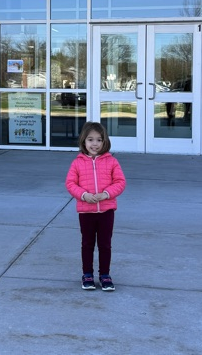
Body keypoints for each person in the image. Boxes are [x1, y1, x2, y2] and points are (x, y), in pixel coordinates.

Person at [65, 121, 126, 291]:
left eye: (99, 140)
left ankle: (105, 275)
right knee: (87, 244)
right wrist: (84, 195)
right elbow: (70, 184)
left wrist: (106, 194)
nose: (95, 144)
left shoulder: (111, 161)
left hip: (106, 211)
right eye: (90, 139)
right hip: (86, 211)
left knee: (105, 244)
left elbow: (120, 182)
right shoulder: (77, 163)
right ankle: (87, 274)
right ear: (83, 141)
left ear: (104, 141)